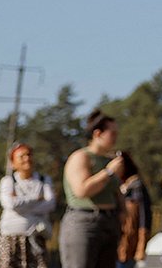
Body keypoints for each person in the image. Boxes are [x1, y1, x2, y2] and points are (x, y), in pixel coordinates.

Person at [59, 110, 127, 268]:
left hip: (110, 222)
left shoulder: (111, 160)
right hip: (84, 223)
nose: (116, 136)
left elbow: (117, 190)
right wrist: (108, 172)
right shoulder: (81, 157)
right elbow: (82, 191)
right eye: (112, 132)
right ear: (98, 133)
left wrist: (123, 211)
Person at [0, 142, 56, 268]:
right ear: (12, 163)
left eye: (29, 155)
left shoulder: (44, 180)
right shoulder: (8, 181)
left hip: (36, 238)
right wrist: (36, 199)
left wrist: (21, 205)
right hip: (10, 238)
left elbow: (50, 204)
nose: (27, 158)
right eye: (22, 156)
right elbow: (11, 204)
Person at [116, 153, 152, 268]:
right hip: (113, 243)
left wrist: (142, 245)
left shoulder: (136, 187)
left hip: (128, 245)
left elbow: (144, 216)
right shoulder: (117, 186)